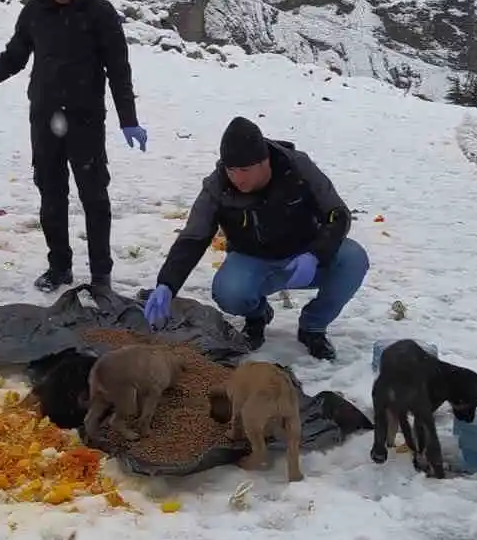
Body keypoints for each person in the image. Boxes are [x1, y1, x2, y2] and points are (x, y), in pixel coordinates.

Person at [0, 0, 147, 293]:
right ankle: (59, 268)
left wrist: (128, 118)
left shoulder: (100, 13)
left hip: (85, 120)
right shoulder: (34, 13)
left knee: (94, 197)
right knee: (51, 196)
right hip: (45, 119)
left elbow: (118, 70)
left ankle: (101, 275)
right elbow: (13, 59)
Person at [142, 116, 366, 361]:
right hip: (253, 260)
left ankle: (313, 326)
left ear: (265, 162)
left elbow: (338, 215)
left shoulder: (298, 168)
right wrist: (167, 284)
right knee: (229, 292)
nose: (238, 178)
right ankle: (257, 314)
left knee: (353, 259)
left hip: (305, 257)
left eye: (245, 170)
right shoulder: (218, 186)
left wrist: (316, 254)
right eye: (231, 170)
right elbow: (194, 236)